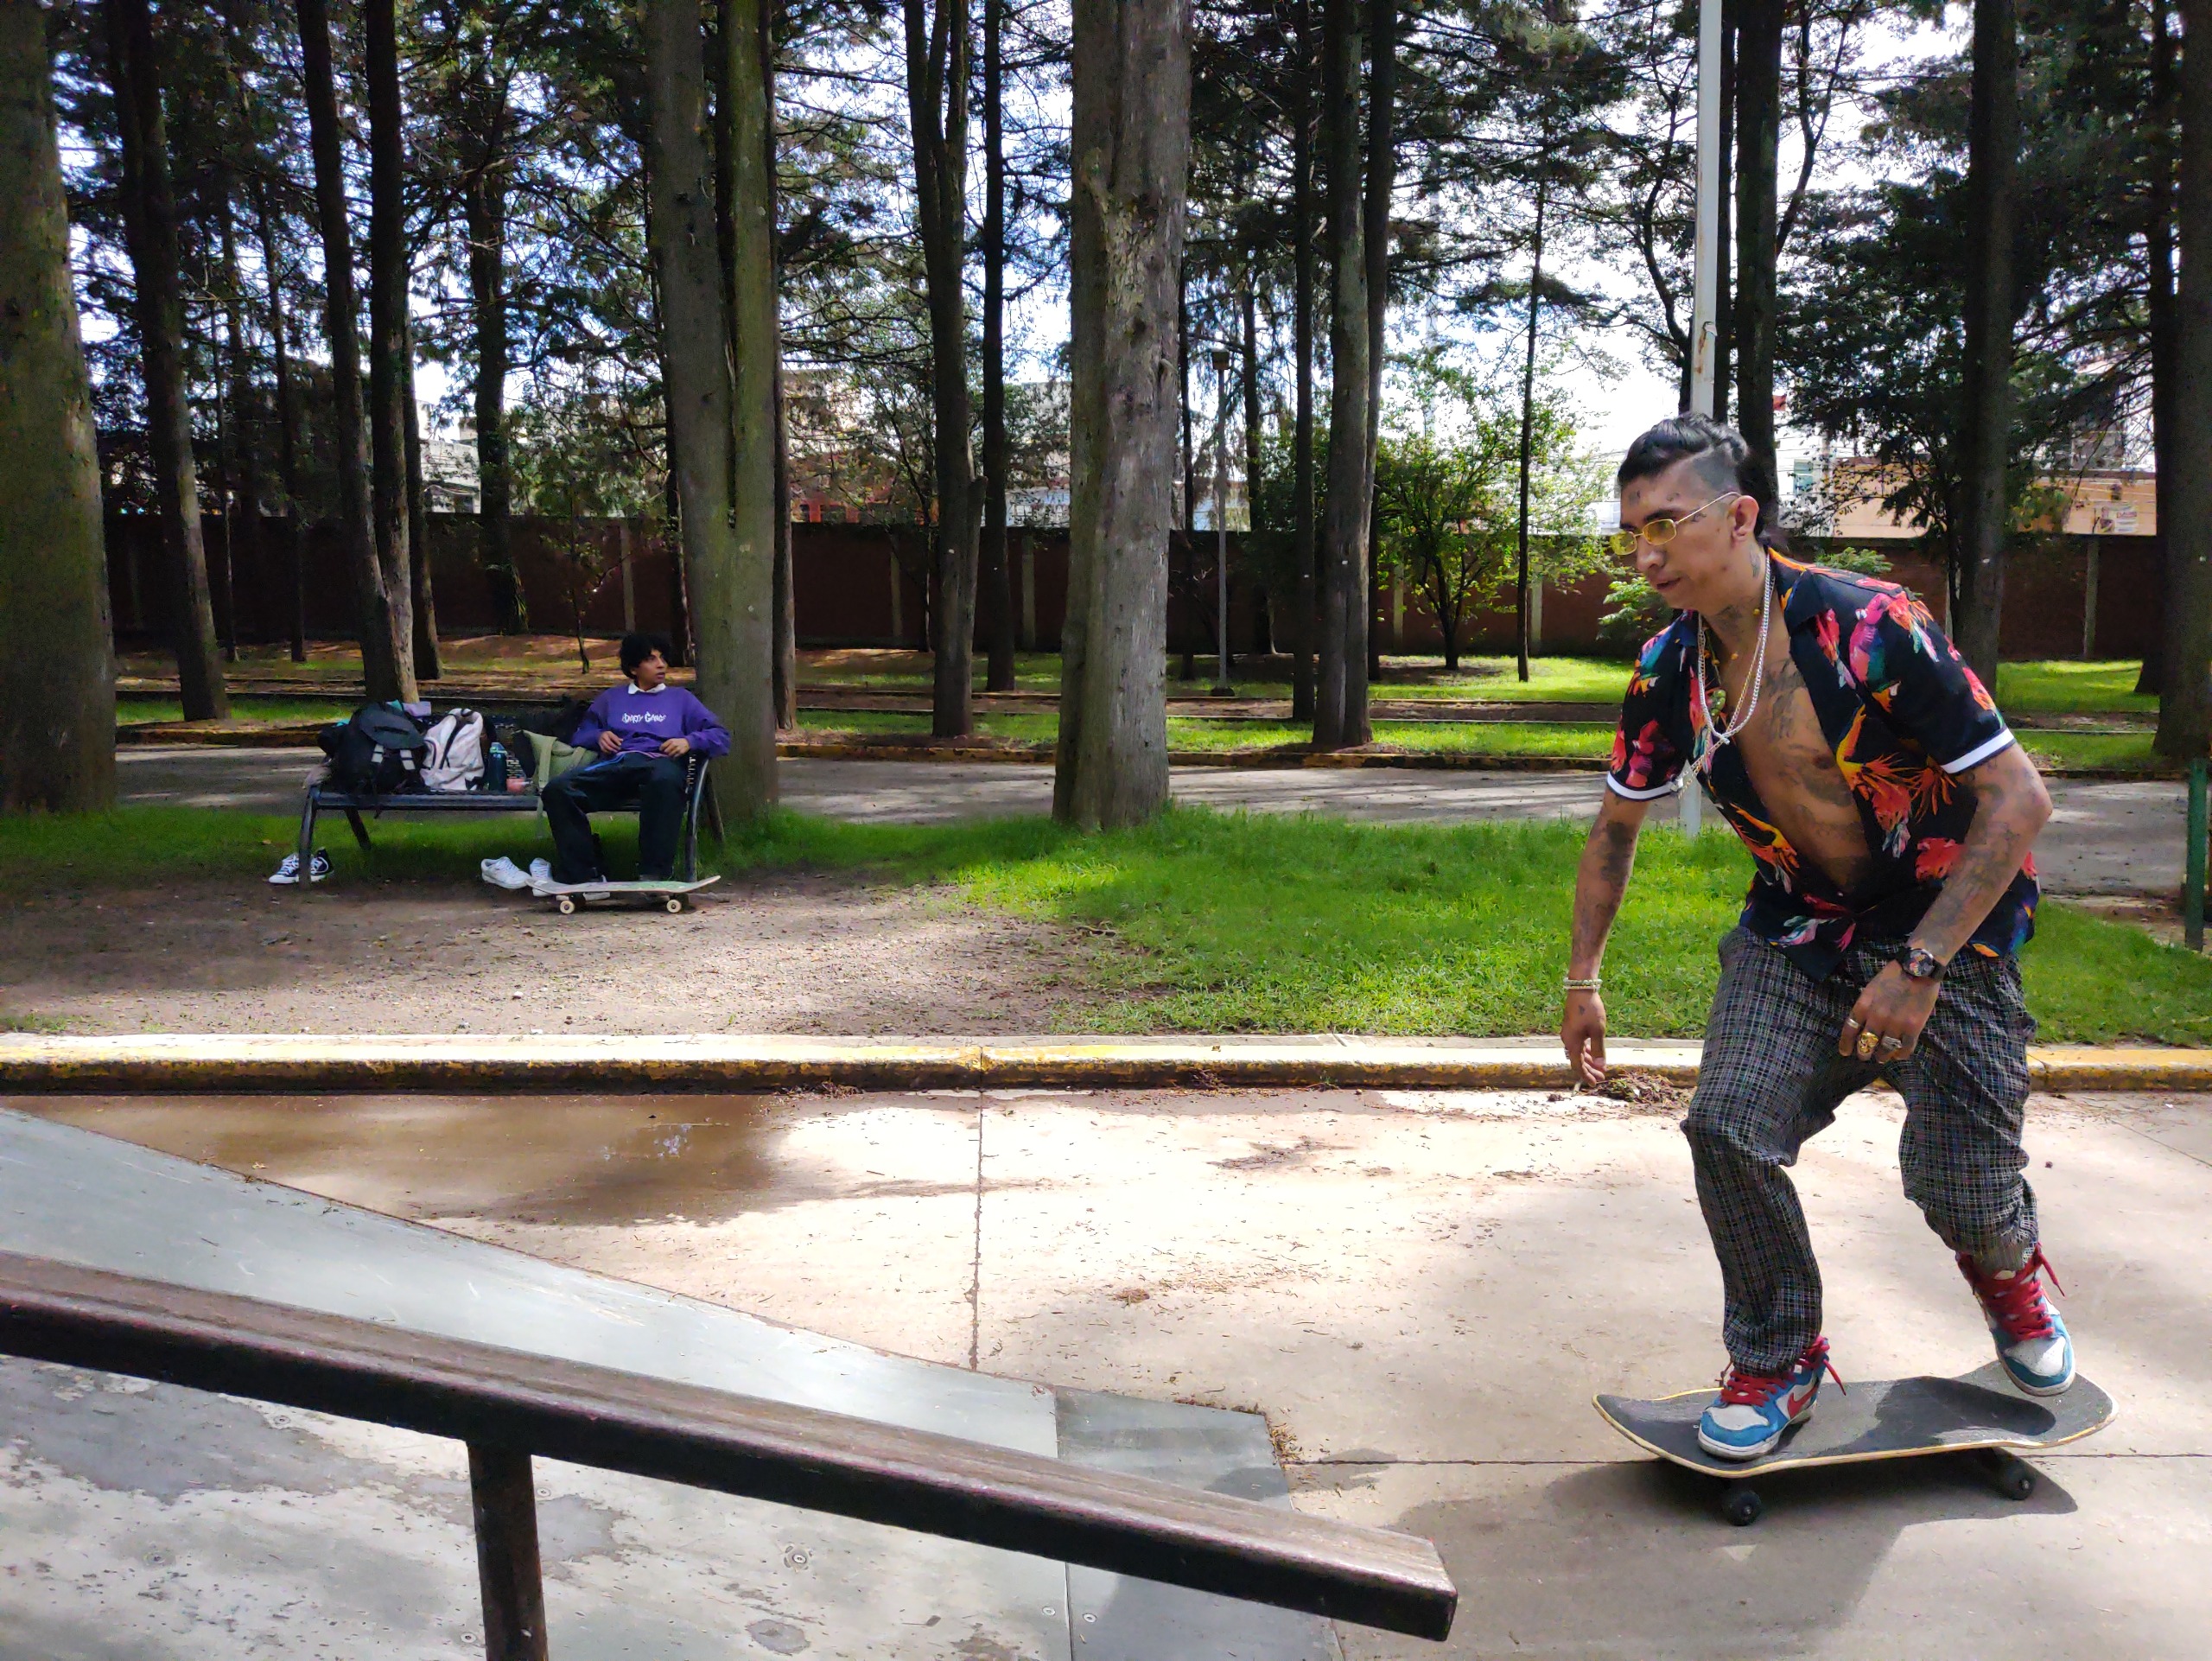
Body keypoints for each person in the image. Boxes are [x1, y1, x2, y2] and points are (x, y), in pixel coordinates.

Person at [1562, 415, 2071, 1462]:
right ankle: (1779, 1353)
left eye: (1666, 523)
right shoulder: (1672, 669)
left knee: (1959, 1188)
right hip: (1797, 926)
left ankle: (2010, 1271)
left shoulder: (1872, 624)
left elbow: (2019, 800)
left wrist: (1919, 967)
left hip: (1946, 926)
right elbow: (1615, 826)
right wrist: (1582, 978)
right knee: (1726, 1127)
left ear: (1739, 514)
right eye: (1629, 534)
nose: (1646, 552)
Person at [543, 633, 729, 884]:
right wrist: (598, 736)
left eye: (663, 658)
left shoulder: (682, 700)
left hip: (661, 763)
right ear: (633, 668)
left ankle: (654, 874)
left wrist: (689, 741)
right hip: (617, 765)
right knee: (558, 790)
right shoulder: (611, 699)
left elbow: (720, 736)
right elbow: (580, 734)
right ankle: (585, 873)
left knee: (665, 781)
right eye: (652, 659)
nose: (661, 664)